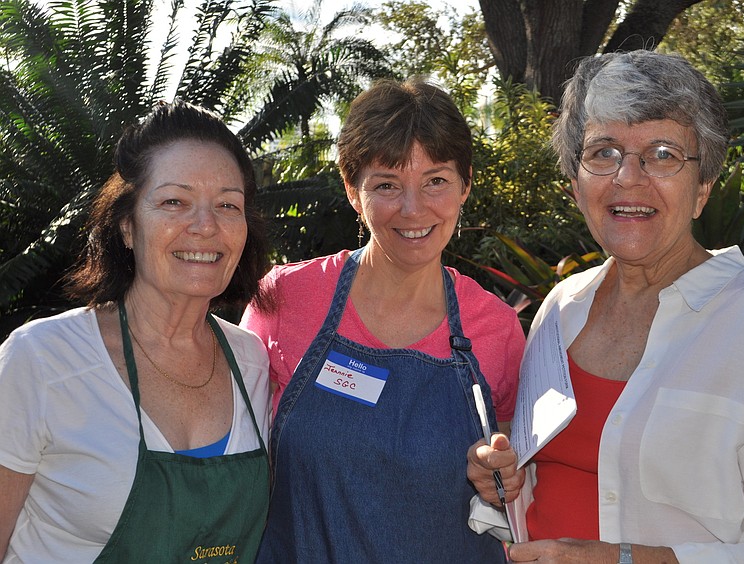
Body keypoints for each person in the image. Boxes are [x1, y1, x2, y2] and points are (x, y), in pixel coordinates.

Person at [467, 50, 744, 563]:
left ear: (703, 189)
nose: (628, 177)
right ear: (576, 185)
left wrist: (632, 559)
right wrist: (504, 475)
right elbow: (547, 473)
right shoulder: (560, 310)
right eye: (603, 152)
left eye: (663, 153)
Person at [241, 77, 524, 563]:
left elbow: (520, 477)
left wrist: (503, 477)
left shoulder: (495, 328)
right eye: (387, 185)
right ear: (353, 190)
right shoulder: (284, 299)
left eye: (436, 180)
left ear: (466, 185)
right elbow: (235, 459)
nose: (413, 209)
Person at [0, 100, 273, 562]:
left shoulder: (253, 361)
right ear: (127, 225)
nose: (206, 226)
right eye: (174, 202)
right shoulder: (42, 360)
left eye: (228, 205)